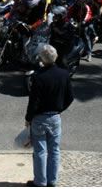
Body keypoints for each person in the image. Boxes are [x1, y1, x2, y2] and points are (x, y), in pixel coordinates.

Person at [25, 45, 74, 187]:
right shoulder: (64, 74)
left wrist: (28, 118)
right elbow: (70, 97)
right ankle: (52, 181)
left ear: (42, 59)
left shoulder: (38, 76)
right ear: (56, 56)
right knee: (54, 150)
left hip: (39, 118)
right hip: (55, 117)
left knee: (40, 151)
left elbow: (33, 101)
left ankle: (40, 182)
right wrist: (59, 109)